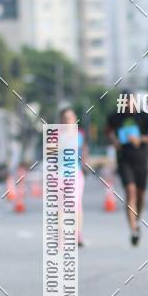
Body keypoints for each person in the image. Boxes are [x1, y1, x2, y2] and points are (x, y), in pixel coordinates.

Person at [106, 95, 148, 245]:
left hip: (141, 159)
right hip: (124, 160)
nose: (127, 104)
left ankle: (137, 221)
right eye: (124, 101)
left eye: (130, 100)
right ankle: (133, 230)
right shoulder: (115, 117)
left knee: (140, 195)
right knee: (130, 192)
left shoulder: (143, 117)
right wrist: (113, 140)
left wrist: (141, 140)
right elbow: (108, 131)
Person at [59, 106, 88, 247]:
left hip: (75, 174)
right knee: (61, 207)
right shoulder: (55, 135)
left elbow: (83, 151)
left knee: (76, 205)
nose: (67, 121)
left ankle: (78, 234)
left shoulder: (79, 135)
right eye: (65, 119)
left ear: (75, 119)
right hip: (58, 174)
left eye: (70, 118)